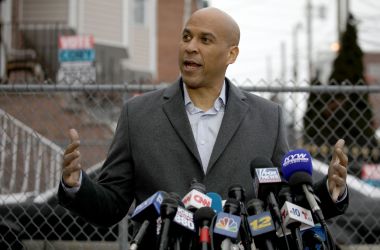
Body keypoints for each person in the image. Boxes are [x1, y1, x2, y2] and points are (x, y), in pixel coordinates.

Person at [58, 7, 349, 249]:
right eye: (187, 36)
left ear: (231, 54)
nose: (190, 47)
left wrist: (329, 191)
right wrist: (77, 185)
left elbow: (285, 204)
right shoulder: (138, 114)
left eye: (205, 40)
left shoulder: (267, 117)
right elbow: (112, 205)